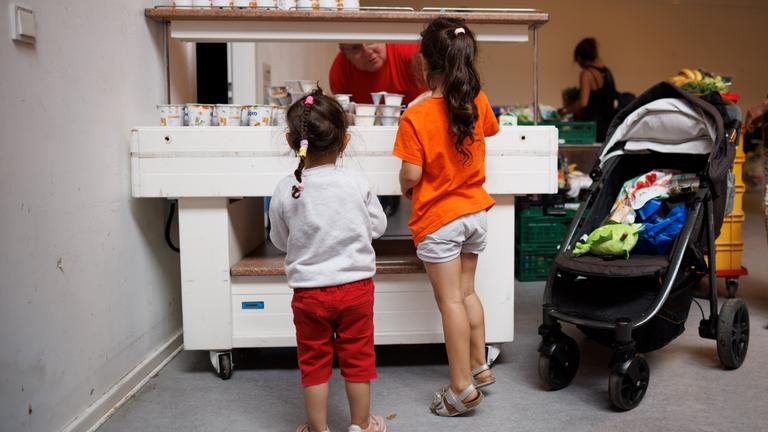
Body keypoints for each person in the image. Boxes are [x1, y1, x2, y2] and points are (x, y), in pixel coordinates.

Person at [393, 17, 498, 417]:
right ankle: (479, 365)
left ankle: (461, 388)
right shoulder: (477, 99)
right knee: (468, 292)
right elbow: (488, 130)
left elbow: (412, 174)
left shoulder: (415, 116)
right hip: (475, 212)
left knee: (450, 300)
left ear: (423, 62)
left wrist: (406, 186)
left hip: (440, 219)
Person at [269, 89, 388, 432]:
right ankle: (361, 426)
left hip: (309, 294)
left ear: (292, 141)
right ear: (345, 141)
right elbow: (377, 227)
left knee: (314, 362)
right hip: (355, 290)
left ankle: (318, 429)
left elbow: (279, 240)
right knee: (358, 359)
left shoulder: (287, 188)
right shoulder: (355, 181)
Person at [329, 43, 428, 106]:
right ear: (345, 53)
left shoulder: (410, 53)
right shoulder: (340, 72)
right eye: (355, 48)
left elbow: (442, 84)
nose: (368, 52)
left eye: (371, 41)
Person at [560, 37, 618, 142]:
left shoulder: (587, 74)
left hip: (592, 128)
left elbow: (583, 102)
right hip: (608, 125)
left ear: (580, 57)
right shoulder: (606, 72)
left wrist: (565, 110)